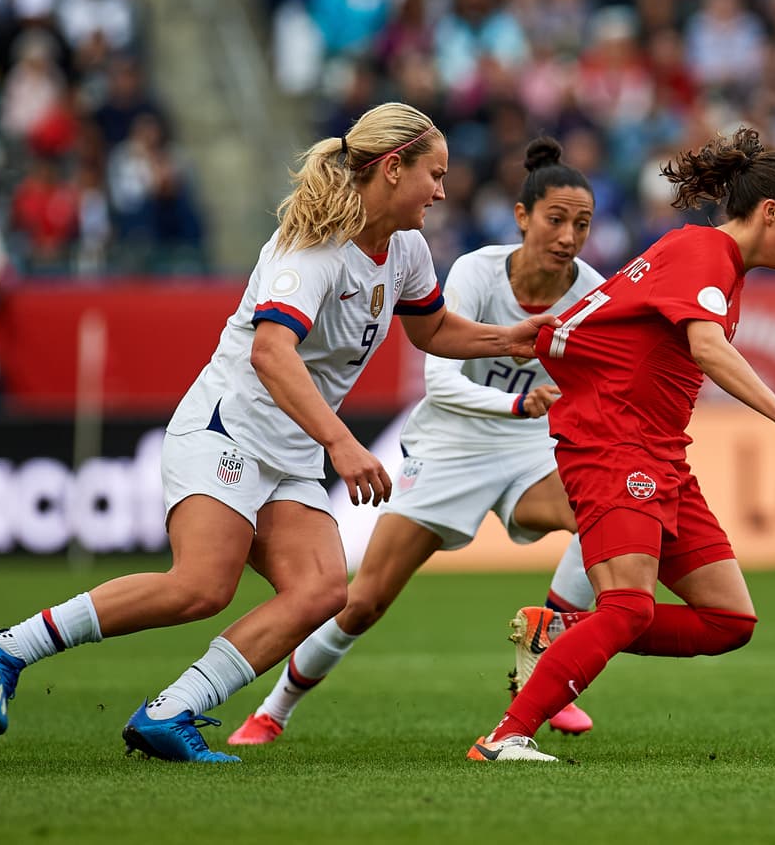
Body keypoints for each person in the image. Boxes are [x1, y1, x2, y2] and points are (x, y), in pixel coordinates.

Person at [0, 102, 557, 764]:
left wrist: (511, 340)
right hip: (227, 429)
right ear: (391, 169)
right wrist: (342, 443)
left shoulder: (405, 248)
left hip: (290, 448)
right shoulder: (312, 249)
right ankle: (8, 646)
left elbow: (432, 329)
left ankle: (171, 710)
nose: (442, 191)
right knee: (202, 586)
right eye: (433, 175)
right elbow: (272, 354)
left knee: (324, 590)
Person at [467, 126, 775, 762]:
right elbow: (705, 346)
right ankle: (506, 737)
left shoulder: (717, 263)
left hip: (661, 451)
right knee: (628, 608)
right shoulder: (703, 252)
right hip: (615, 443)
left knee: (729, 620)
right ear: (770, 211)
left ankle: (557, 632)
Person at [225, 136, 605, 747]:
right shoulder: (479, 271)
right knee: (364, 600)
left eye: (582, 225)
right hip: (450, 446)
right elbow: (439, 379)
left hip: (528, 450)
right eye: (555, 219)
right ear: (522, 217)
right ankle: (273, 711)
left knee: (601, 515)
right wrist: (516, 401)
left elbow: (595, 381)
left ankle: (544, 670)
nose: (568, 236)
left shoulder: (591, 290)